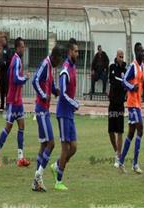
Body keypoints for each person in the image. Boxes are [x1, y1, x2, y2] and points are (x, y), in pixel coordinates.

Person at [0, 37, 31, 168]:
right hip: (14, 101)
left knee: (21, 126)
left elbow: (9, 73)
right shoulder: (16, 60)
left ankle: (20, 158)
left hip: (16, 100)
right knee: (8, 128)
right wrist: (25, 77)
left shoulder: (15, 59)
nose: (24, 49)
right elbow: (15, 78)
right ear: (18, 48)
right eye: (23, 47)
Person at [50, 38, 79, 191]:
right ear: (69, 52)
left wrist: (73, 103)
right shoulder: (65, 70)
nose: (78, 54)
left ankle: (56, 165)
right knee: (65, 147)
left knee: (73, 147)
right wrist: (73, 103)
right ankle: (58, 181)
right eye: (75, 51)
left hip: (70, 113)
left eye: (78, 51)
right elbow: (62, 94)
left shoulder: (73, 67)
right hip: (63, 113)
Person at [31, 46, 62, 192]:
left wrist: (55, 90)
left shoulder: (51, 67)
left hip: (44, 109)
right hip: (41, 110)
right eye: (59, 60)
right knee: (51, 143)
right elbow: (35, 80)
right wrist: (44, 95)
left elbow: (49, 83)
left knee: (44, 145)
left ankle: (36, 183)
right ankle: (38, 175)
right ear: (55, 57)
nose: (59, 63)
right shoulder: (45, 64)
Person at [118, 42, 144, 174]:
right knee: (140, 128)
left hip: (138, 104)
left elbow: (140, 82)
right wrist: (131, 87)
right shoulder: (133, 66)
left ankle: (121, 161)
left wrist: (142, 85)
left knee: (131, 132)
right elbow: (124, 81)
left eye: (142, 51)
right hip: (132, 104)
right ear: (135, 52)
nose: (142, 53)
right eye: (139, 51)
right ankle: (135, 164)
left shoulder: (142, 66)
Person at [108, 49, 127, 168]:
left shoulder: (125, 70)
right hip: (112, 103)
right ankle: (116, 151)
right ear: (116, 57)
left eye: (122, 57)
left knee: (119, 131)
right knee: (110, 131)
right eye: (119, 56)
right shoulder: (112, 67)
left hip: (120, 104)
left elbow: (126, 84)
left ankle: (118, 156)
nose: (121, 58)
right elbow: (112, 81)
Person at [0, 36, 11, 110]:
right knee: (2, 89)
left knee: (6, 90)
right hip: (2, 73)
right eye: (1, 40)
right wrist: (0, 63)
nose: (2, 42)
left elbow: (9, 59)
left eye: (3, 40)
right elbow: (1, 60)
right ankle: (2, 105)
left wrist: (5, 63)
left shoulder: (8, 49)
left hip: (6, 73)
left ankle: (7, 105)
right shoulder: (2, 50)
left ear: (6, 41)